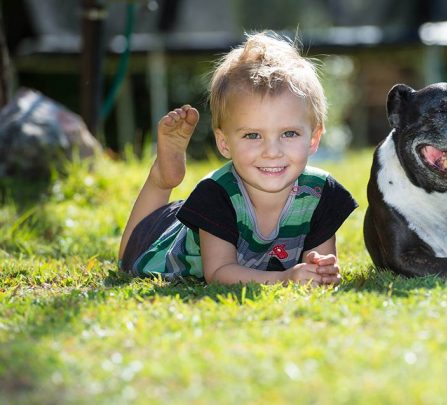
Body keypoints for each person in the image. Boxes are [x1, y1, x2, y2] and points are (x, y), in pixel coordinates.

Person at [118, 31, 358, 286]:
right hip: (169, 239)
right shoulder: (215, 194)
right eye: (253, 135)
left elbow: (320, 263)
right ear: (224, 143)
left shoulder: (321, 194)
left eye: (289, 133)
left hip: (214, 220)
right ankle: (163, 179)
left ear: (314, 138)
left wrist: (319, 270)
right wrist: (285, 278)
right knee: (128, 259)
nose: (272, 151)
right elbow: (219, 273)